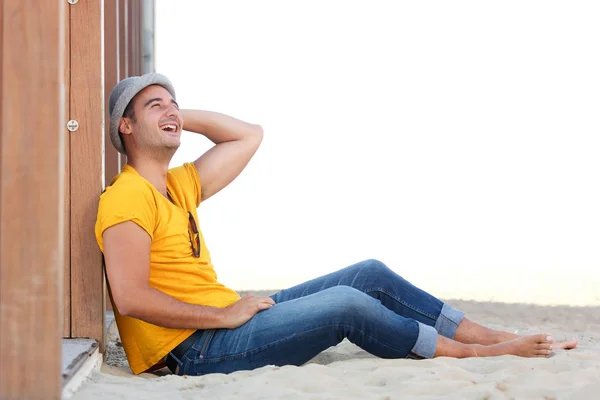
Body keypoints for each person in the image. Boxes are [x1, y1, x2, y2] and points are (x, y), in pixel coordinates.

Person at [95, 73, 577, 377]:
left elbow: (248, 135)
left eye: (171, 103)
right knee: (347, 303)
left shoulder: (180, 185)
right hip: (191, 351)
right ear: (126, 126)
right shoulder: (126, 198)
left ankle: (488, 336)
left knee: (367, 273)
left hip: (227, 318)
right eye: (153, 107)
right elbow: (132, 297)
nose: (170, 111)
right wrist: (223, 316)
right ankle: (467, 354)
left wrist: (175, 111)